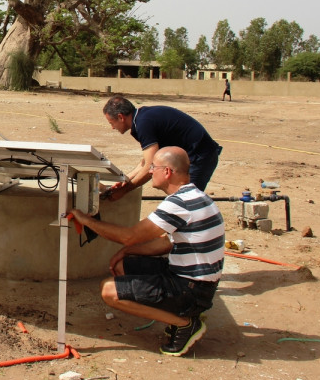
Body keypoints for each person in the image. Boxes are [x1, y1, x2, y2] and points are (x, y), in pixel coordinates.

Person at [67, 146, 224, 356]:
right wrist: (127, 252)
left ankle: (185, 322)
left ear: (167, 172)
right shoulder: (194, 196)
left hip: (192, 288)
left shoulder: (179, 203)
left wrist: (86, 220)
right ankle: (179, 313)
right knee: (123, 265)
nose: (150, 172)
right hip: (195, 281)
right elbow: (166, 244)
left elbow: (128, 235)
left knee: (109, 290)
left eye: (153, 167)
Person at [102, 95, 221, 201]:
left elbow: (150, 167)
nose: (112, 127)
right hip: (192, 156)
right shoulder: (141, 118)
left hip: (200, 157)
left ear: (121, 117)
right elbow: (147, 161)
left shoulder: (143, 124)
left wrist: (124, 190)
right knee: (179, 200)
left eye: (111, 122)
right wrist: (125, 179)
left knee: (187, 201)